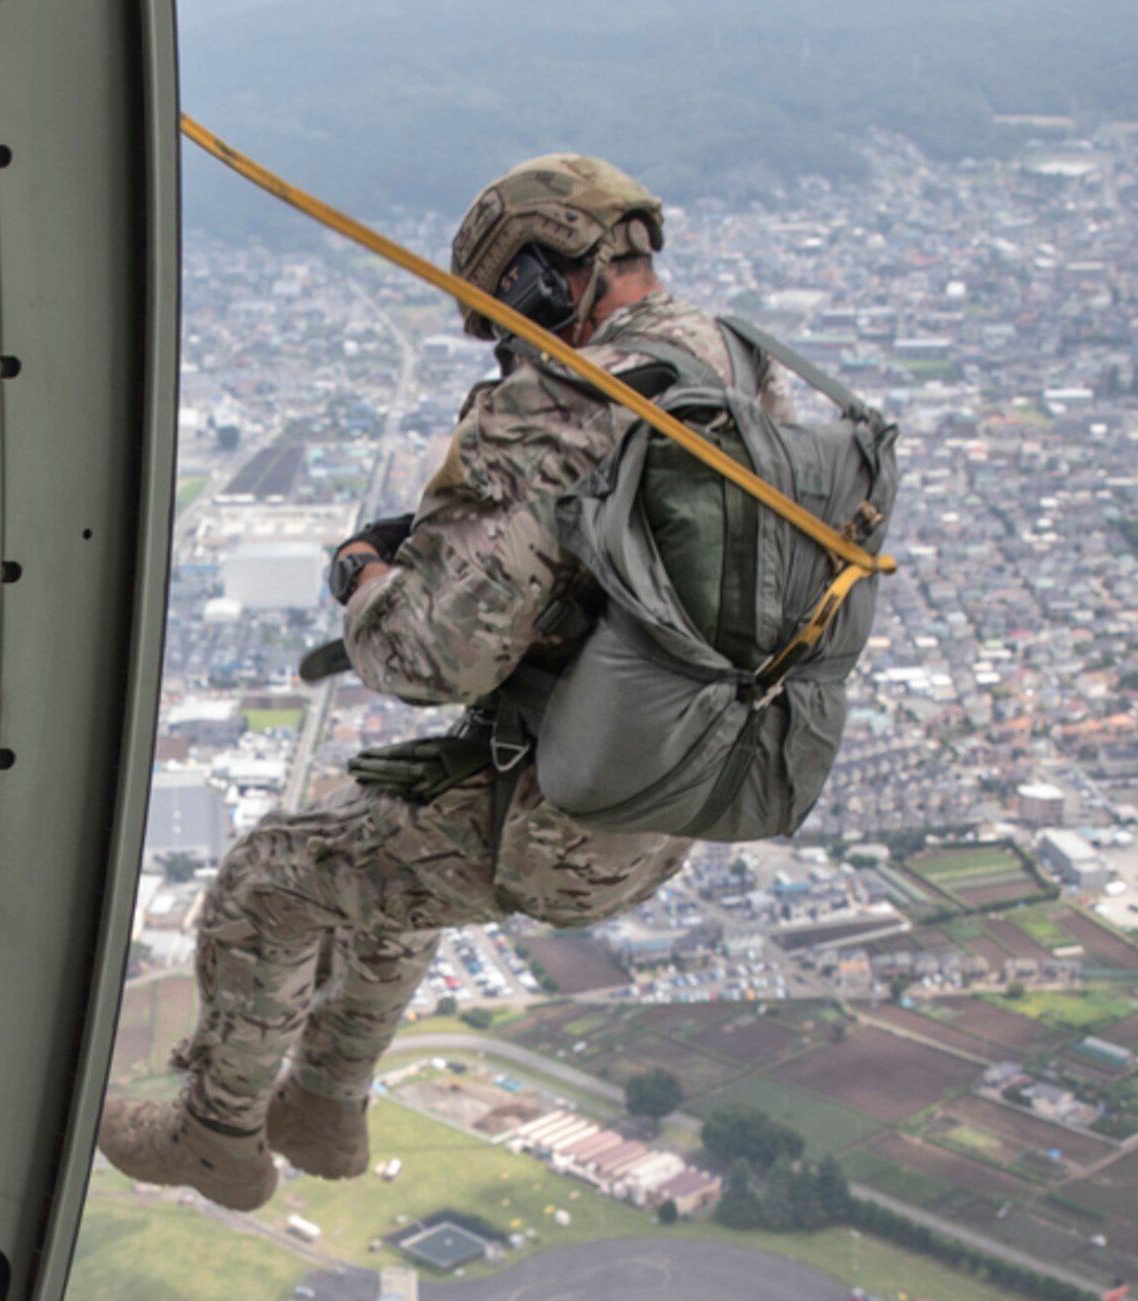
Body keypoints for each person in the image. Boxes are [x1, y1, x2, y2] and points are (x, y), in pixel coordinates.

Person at [98, 154, 789, 1208]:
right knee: (390, 828)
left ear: (538, 276)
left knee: (265, 879)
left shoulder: (573, 392)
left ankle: (214, 1128)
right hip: (667, 809)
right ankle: (324, 1101)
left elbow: (428, 659)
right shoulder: (737, 367)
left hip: (560, 818)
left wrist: (365, 576)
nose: (504, 340)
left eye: (501, 312)